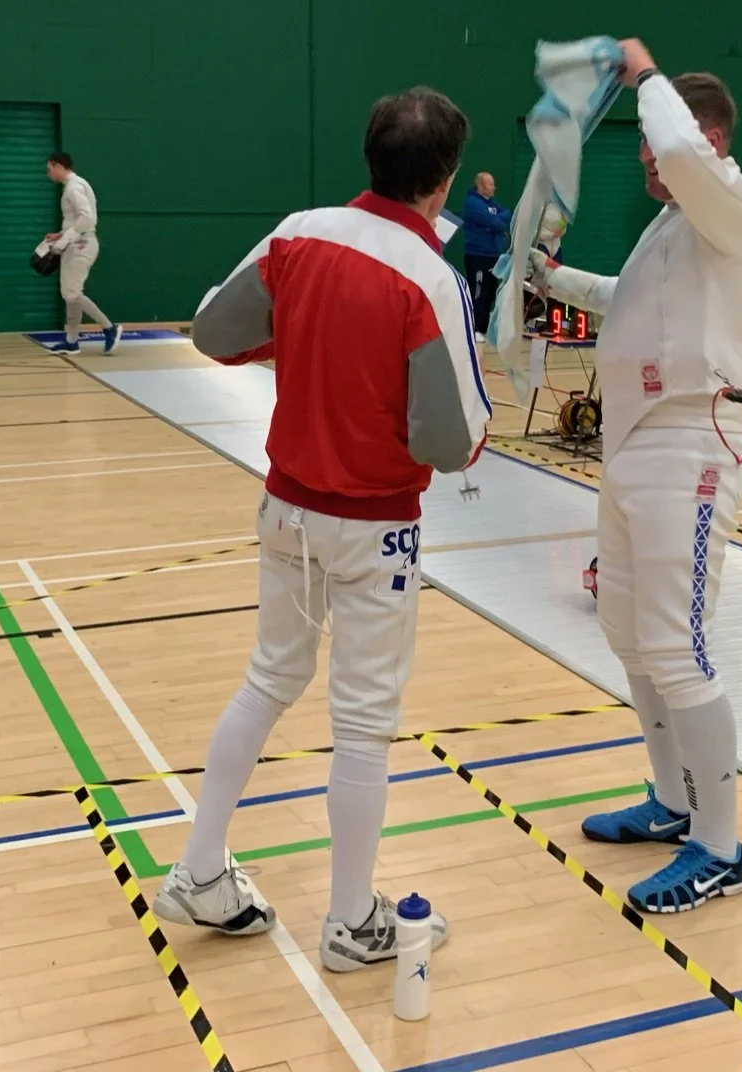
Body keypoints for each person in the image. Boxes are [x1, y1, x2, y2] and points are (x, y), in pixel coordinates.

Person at [157, 87, 489, 971]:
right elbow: (453, 443)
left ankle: (199, 869)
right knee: (363, 724)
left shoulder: (296, 234)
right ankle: (350, 921)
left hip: (286, 509)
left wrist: (304, 340)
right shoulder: (431, 279)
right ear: (444, 179)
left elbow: (214, 332)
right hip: (371, 528)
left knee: (268, 679)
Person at [537, 40, 742, 915]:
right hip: (632, 446)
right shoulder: (673, 224)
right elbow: (631, 299)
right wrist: (551, 278)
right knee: (629, 637)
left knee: (678, 649)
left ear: (705, 140)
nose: (647, 166)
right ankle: (675, 802)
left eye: (654, 153)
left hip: (692, 447)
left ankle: (719, 847)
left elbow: (674, 150)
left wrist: (643, 74)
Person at [43, 153, 120, 354]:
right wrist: (60, 235)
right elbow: (77, 220)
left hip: (81, 245)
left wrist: (64, 241)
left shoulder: (74, 187)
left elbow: (87, 218)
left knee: (72, 293)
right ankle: (72, 340)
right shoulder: (74, 185)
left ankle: (109, 327)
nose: (48, 174)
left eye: (49, 169)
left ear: (58, 166)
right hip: (77, 242)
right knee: (69, 294)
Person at [458, 172, 511, 333]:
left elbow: (507, 214)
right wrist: (495, 224)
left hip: (493, 256)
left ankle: (483, 330)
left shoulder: (492, 204)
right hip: (478, 256)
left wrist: (493, 224)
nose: (494, 187)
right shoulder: (472, 203)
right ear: (481, 186)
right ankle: (473, 330)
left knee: (489, 295)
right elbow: (496, 223)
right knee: (478, 294)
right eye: (490, 184)